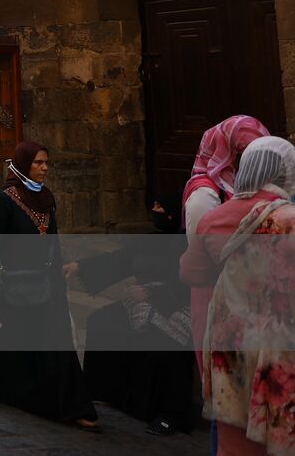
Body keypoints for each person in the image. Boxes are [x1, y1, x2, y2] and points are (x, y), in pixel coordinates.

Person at [0, 141, 99, 431]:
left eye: (46, 163)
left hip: (47, 283)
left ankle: (72, 405)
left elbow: (52, 241)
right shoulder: (3, 200)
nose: (44, 168)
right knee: (8, 341)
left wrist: (60, 269)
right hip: (12, 285)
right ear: (23, 164)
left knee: (56, 343)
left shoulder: (46, 198)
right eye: (38, 163)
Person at [180, 136, 295, 455]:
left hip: (230, 342)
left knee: (233, 437)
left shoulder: (214, 218)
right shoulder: (288, 219)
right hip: (280, 345)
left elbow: (191, 274)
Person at [75, 195, 193, 436]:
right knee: (99, 321)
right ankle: (104, 391)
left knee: (166, 345)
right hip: (139, 303)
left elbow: (186, 283)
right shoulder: (147, 240)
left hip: (175, 305)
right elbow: (120, 259)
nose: (154, 209)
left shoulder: (187, 243)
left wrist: (151, 293)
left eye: (160, 206)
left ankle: (171, 415)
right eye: (153, 205)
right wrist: (80, 266)